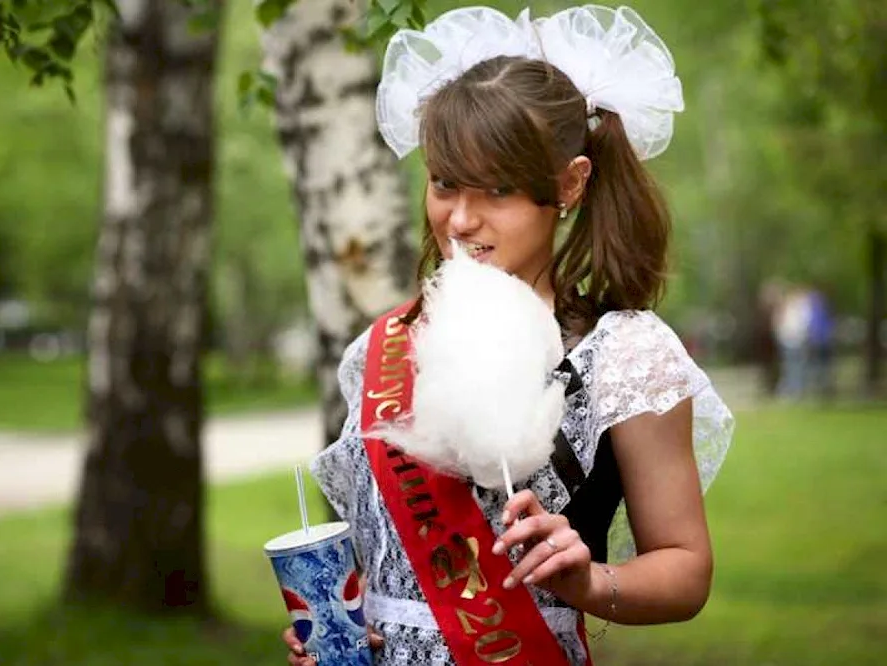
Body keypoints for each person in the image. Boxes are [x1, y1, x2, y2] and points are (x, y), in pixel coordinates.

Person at [280, 6, 734, 665]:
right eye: (443, 182)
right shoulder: (379, 350)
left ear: (570, 183)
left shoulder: (626, 356)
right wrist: (335, 626)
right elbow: (378, 559)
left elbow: (686, 570)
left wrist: (587, 580)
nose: (460, 219)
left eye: (496, 189)